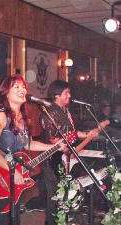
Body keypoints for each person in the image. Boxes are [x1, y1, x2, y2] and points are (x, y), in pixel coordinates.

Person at [0, 74, 66, 225]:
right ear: (6, 92)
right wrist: (11, 171)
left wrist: (53, 146)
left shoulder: (24, 118)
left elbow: (27, 144)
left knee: (13, 218)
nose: (22, 90)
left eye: (24, 87)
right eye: (17, 87)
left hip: (14, 177)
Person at [39, 80, 99, 225]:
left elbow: (71, 133)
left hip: (66, 157)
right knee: (55, 196)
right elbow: (51, 140)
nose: (69, 96)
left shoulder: (66, 111)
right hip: (53, 160)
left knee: (66, 194)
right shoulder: (49, 113)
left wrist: (87, 135)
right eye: (66, 93)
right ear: (57, 95)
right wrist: (67, 151)